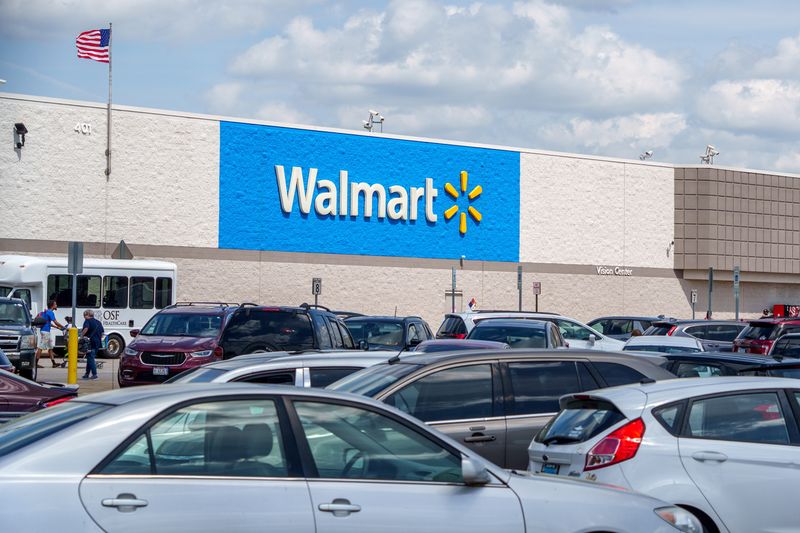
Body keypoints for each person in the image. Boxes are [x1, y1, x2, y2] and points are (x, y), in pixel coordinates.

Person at [35, 300, 64, 368]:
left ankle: (53, 363)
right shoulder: (50, 312)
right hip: (45, 332)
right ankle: (35, 364)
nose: (56, 306)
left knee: (50, 348)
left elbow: (48, 323)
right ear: (52, 306)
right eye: (55, 304)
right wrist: (64, 327)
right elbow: (56, 322)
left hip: (45, 331)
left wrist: (57, 327)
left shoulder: (45, 312)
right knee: (40, 347)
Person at [80, 309, 104, 380]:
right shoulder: (98, 322)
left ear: (87, 315)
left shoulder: (87, 321)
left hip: (90, 343)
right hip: (97, 342)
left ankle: (95, 374)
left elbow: (86, 329)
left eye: (84, 315)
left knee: (90, 358)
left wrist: (81, 336)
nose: (84, 317)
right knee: (90, 358)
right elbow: (102, 333)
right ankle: (86, 374)